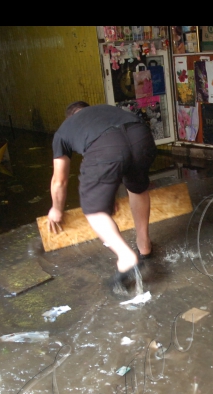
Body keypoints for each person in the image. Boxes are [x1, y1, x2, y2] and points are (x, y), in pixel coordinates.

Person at [47, 102, 156, 277]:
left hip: (107, 145)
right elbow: (122, 152)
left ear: (70, 117)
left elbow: (59, 180)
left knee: (93, 209)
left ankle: (125, 257)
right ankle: (144, 246)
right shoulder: (106, 110)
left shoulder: (64, 130)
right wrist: (108, 196)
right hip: (141, 136)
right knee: (137, 187)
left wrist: (56, 208)